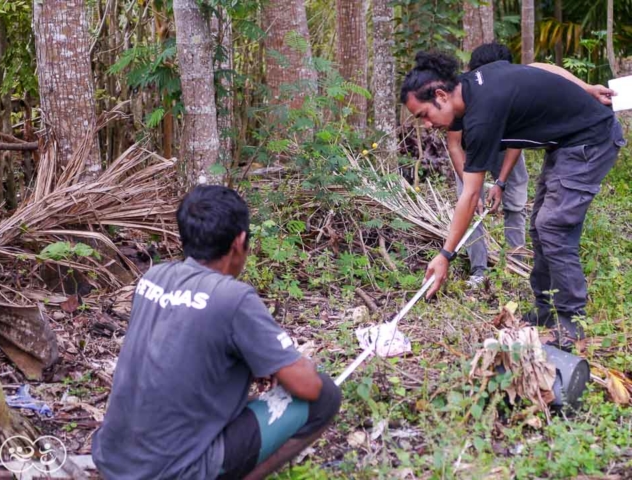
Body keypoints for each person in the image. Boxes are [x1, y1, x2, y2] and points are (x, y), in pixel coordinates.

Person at [92, 185, 342, 479]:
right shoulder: (233, 298)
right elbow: (307, 386)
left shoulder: (153, 277)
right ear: (239, 242)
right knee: (325, 395)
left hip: (113, 459)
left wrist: (254, 362)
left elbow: (181, 350)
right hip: (172, 471)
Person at [401, 51, 625, 350]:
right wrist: (585, 87)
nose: (427, 125)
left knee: (553, 226)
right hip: (566, 144)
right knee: (540, 226)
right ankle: (545, 311)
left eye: (424, 115)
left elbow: (469, 195)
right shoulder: (470, 86)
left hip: (592, 139)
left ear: (440, 95)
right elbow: (539, 67)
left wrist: (445, 255)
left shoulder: (482, 115)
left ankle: (572, 321)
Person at [447, 43, 528, 287]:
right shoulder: (461, 93)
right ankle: (478, 270)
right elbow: (454, 144)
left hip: (506, 150)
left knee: (515, 205)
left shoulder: (512, 92)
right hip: (473, 154)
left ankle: (516, 266)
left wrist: (501, 182)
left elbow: (517, 141)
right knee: (469, 207)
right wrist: (471, 189)